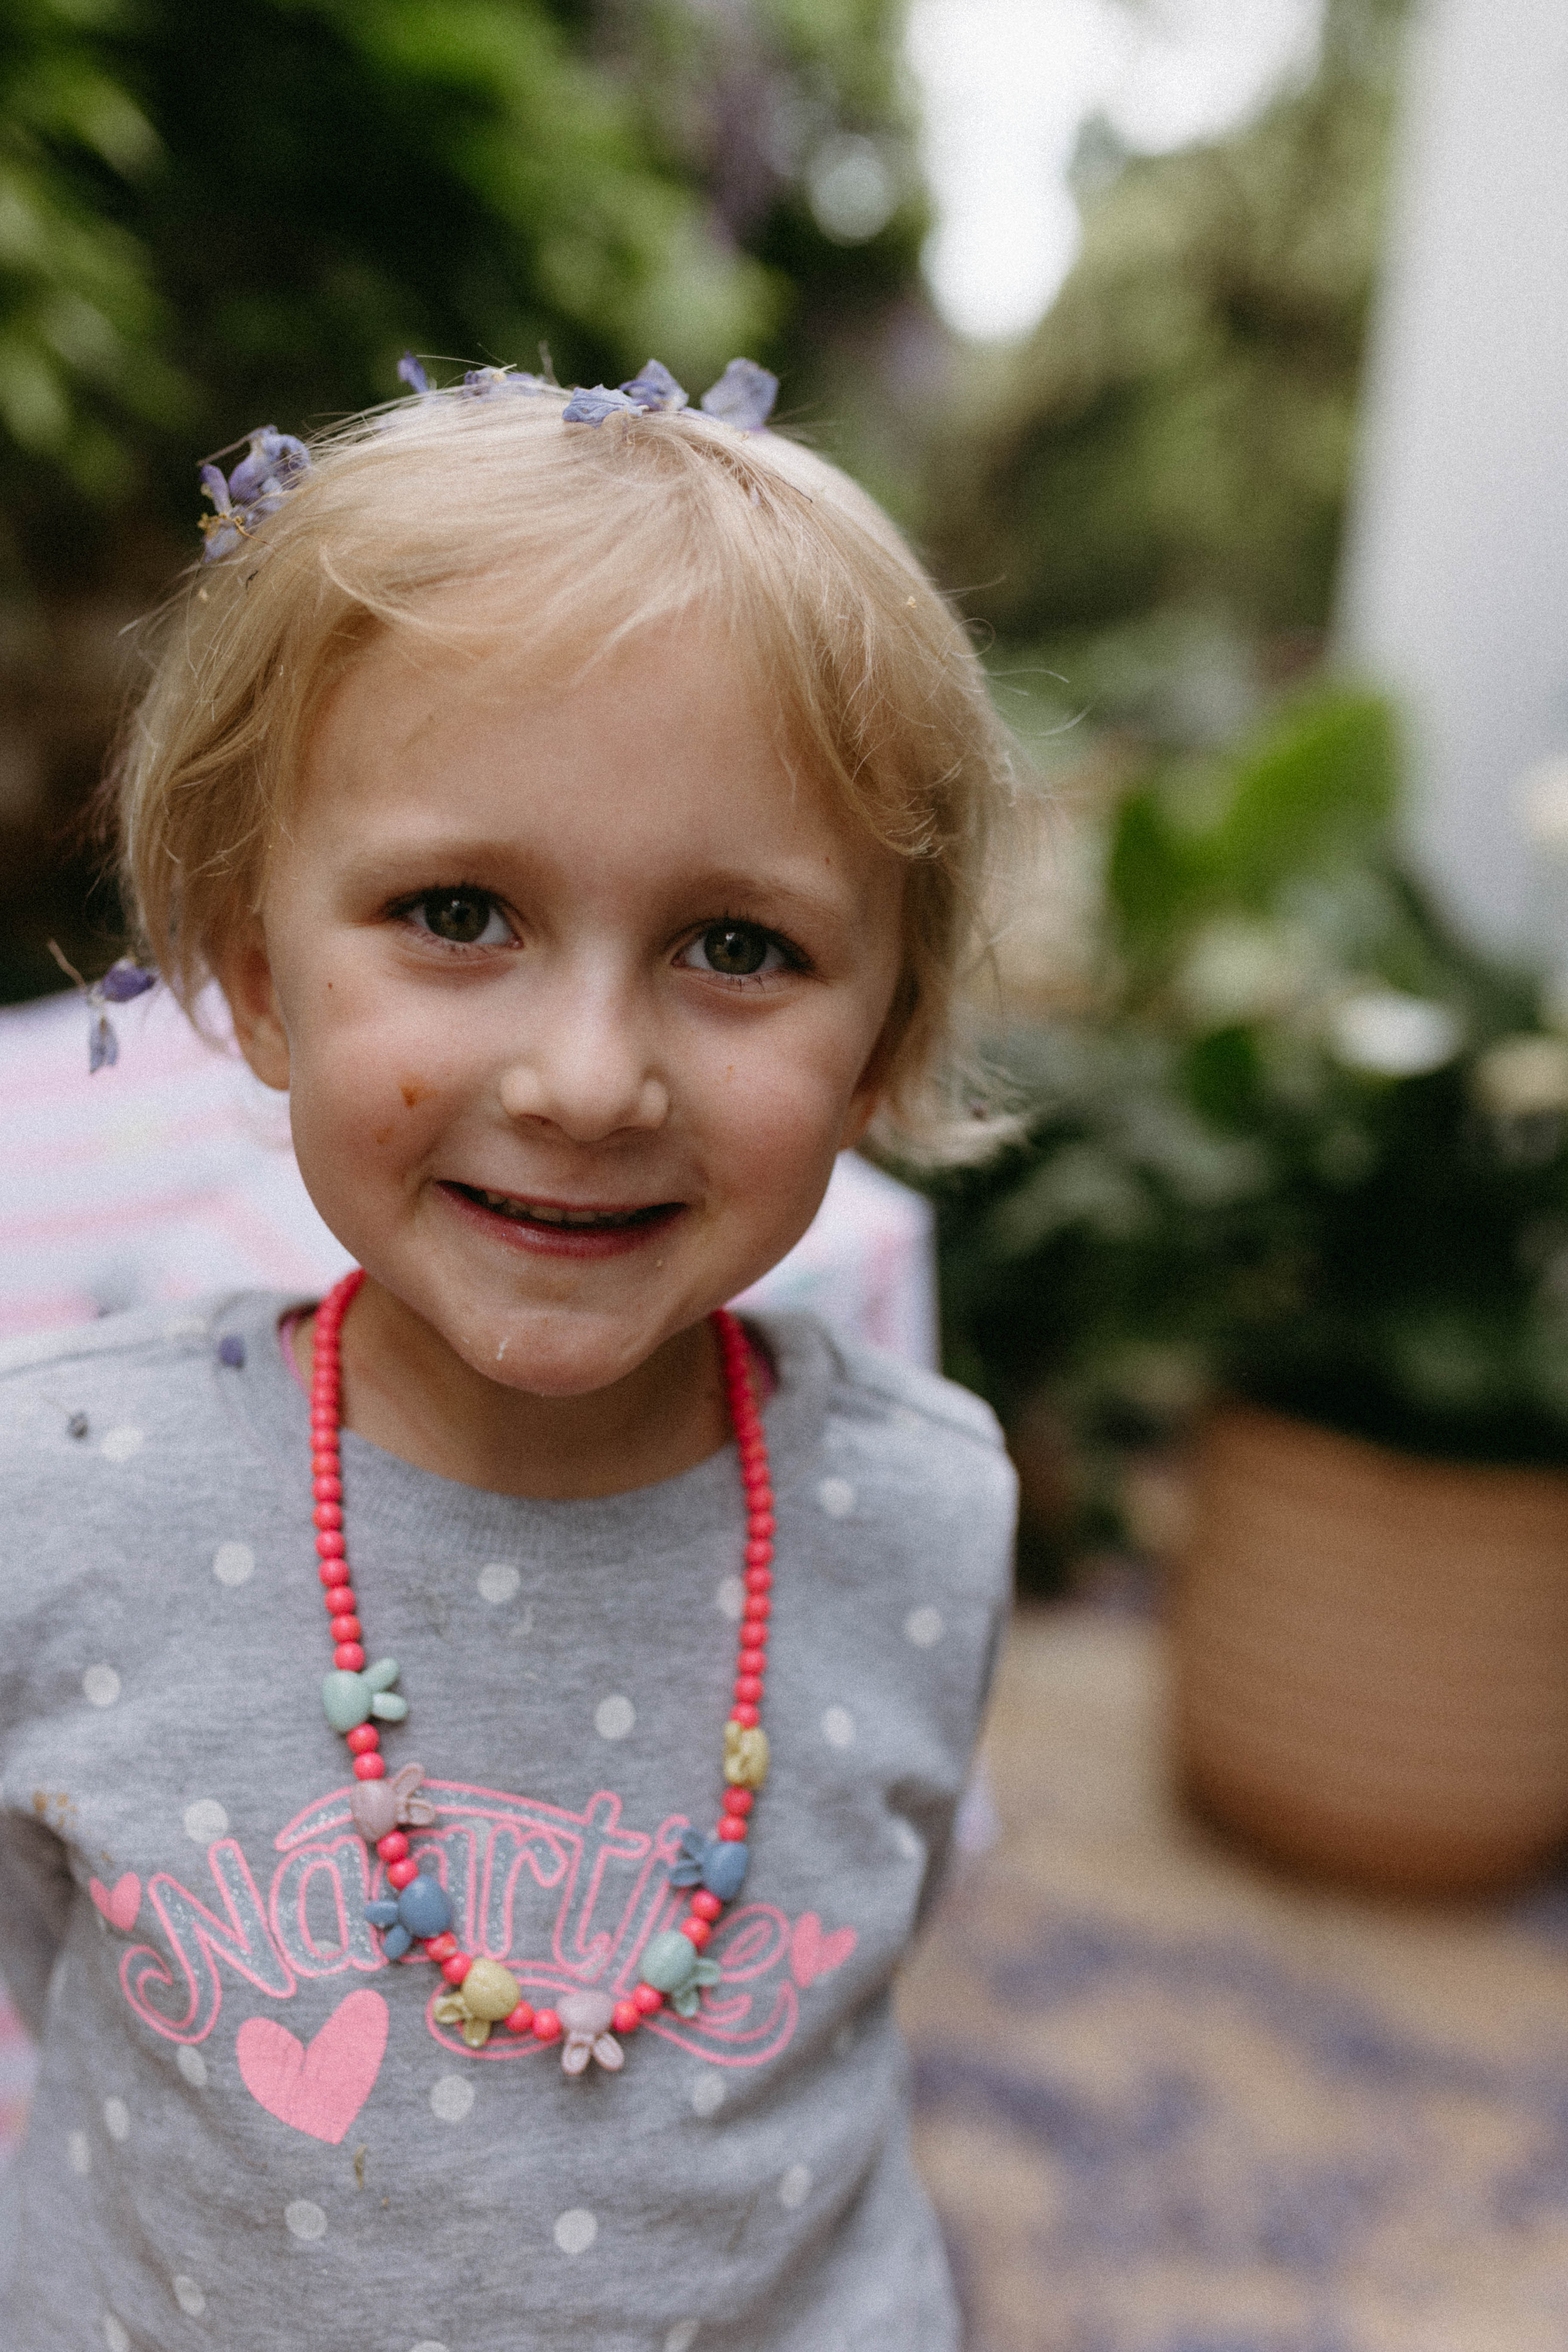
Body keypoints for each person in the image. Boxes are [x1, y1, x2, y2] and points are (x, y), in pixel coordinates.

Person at [0, 356, 1018, 2350]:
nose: (586, 1079)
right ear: (259, 976)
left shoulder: (922, 1514)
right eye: (458, 912)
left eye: (739, 947)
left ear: (882, 1045)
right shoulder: (59, 1502)